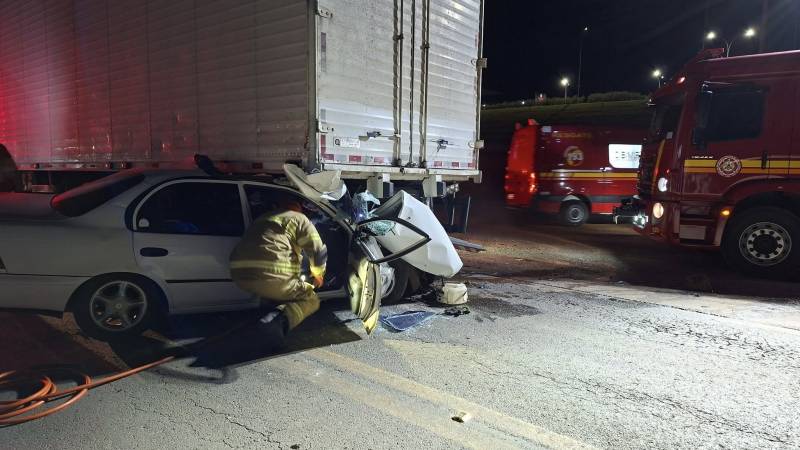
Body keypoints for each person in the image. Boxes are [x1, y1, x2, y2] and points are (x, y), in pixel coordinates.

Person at [230, 197, 328, 345]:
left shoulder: (263, 218)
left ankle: (263, 320)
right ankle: (274, 324)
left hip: (239, 275)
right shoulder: (299, 218)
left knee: (272, 292)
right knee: (310, 299)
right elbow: (317, 250)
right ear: (299, 208)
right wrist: (318, 275)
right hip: (271, 277)